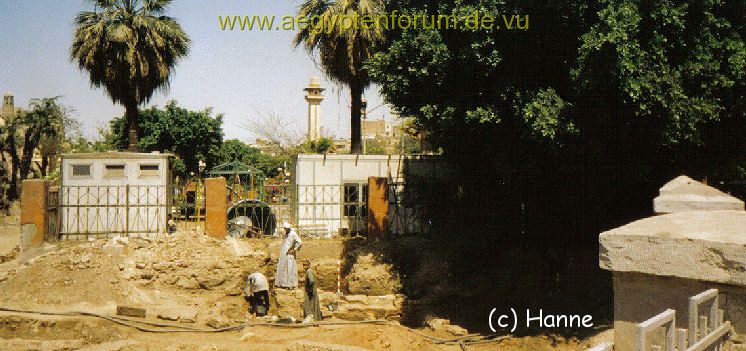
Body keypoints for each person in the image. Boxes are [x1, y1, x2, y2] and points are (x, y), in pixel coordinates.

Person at [275, 222, 302, 289]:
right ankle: (283, 283)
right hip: (283, 253)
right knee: (283, 268)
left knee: (290, 268)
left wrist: (293, 249)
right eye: (285, 229)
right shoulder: (286, 234)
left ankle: (290, 284)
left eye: (286, 229)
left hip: (289, 254)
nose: (285, 230)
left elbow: (299, 242)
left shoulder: (293, 233)